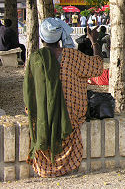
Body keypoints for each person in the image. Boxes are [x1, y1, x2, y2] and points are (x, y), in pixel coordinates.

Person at [23, 18, 103, 177]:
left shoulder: (34, 58)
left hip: (42, 118)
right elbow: (97, 67)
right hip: (71, 118)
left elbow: (29, 91)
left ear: (42, 37)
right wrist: (94, 42)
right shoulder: (72, 56)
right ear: (60, 37)